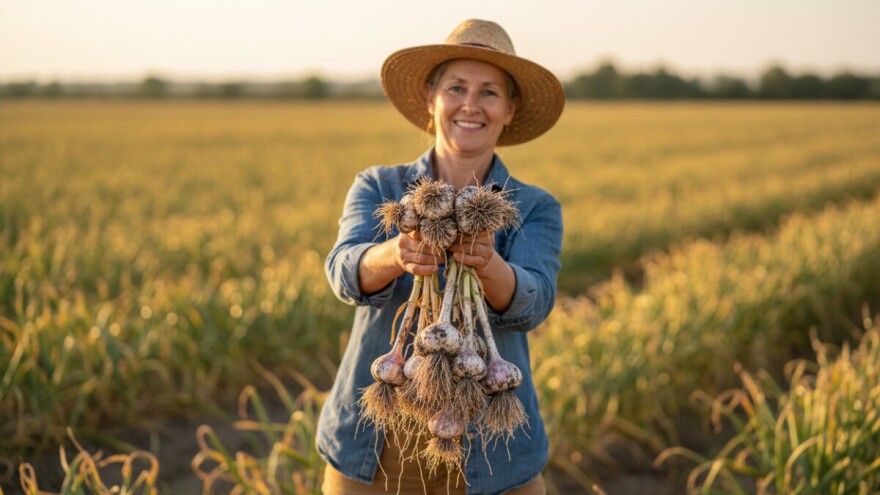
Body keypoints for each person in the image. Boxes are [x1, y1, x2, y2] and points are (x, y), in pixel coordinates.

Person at [318, 19, 565, 495]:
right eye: (456, 88)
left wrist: (488, 264)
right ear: (431, 99)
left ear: (509, 109)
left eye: (489, 92)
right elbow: (343, 272)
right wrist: (397, 253)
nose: (471, 104)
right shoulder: (379, 186)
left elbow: (535, 302)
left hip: (492, 445)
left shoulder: (535, 206)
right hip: (375, 438)